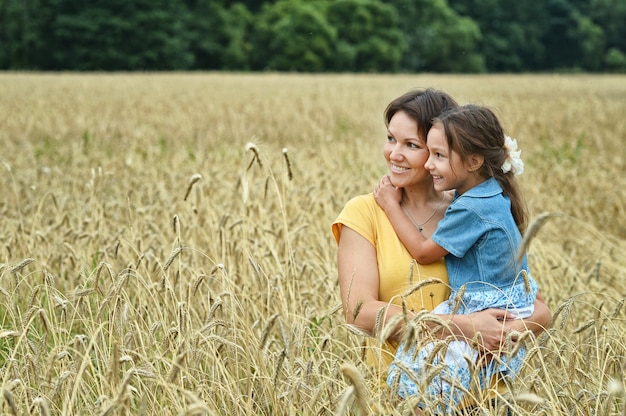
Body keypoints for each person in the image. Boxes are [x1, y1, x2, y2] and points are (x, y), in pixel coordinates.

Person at [332, 89, 551, 413]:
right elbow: (359, 312)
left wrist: (505, 334)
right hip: (403, 400)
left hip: (488, 400)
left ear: (453, 152)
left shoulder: (472, 211)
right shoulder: (366, 212)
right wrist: (462, 326)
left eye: (412, 145)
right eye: (391, 138)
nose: (394, 154)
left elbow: (538, 307)